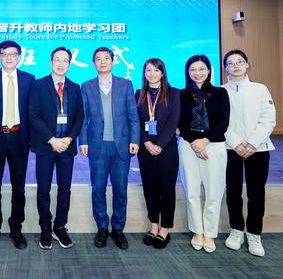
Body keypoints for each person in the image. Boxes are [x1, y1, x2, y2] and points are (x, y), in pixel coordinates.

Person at [0, 40, 35, 250]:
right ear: (0, 56)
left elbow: (33, 112)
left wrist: (32, 139)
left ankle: (16, 228)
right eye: (4, 53)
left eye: (13, 54)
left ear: (19, 56)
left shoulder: (29, 79)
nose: (9, 57)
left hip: (19, 138)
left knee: (19, 186)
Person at [80, 46, 140, 250]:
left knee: (120, 189)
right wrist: (83, 141)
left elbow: (133, 116)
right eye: (98, 59)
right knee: (98, 189)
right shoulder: (86, 86)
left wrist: (134, 139)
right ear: (93, 63)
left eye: (106, 58)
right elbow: (84, 117)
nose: (103, 61)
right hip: (97, 147)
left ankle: (118, 229)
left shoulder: (125, 84)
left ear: (113, 61)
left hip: (121, 146)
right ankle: (102, 228)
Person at [29, 47, 84, 249]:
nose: (61, 64)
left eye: (65, 60)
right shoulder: (38, 85)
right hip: (46, 146)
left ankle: (60, 226)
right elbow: (33, 115)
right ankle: (45, 227)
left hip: (66, 147)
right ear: (51, 62)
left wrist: (69, 138)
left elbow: (80, 117)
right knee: (43, 189)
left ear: (69, 64)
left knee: (65, 189)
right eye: (57, 60)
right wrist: (52, 139)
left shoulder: (75, 87)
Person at [222, 50, 276, 257]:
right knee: (233, 191)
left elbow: (268, 119)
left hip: (258, 149)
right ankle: (236, 230)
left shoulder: (260, 89)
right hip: (230, 148)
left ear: (247, 65)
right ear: (225, 68)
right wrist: (236, 143)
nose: (235, 66)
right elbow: (221, 122)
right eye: (231, 63)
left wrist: (253, 143)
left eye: (240, 62)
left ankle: (254, 234)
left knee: (256, 193)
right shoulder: (221, 91)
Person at [178, 54, 230, 253]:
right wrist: (194, 143)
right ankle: (197, 232)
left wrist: (205, 140)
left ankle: (209, 233)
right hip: (188, 146)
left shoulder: (220, 93)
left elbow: (223, 122)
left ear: (209, 70)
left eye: (201, 69)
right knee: (191, 191)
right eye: (193, 69)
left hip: (214, 146)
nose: (197, 73)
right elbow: (180, 122)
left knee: (214, 192)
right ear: (187, 72)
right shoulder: (182, 95)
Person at [135, 58, 180, 249]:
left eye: (156, 70)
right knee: (150, 189)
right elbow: (135, 121)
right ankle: (153, 226)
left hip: (167, 148)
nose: (152, 74)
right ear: (144, 74)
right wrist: (146, 142)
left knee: (167, 189)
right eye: (148, 70)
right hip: (145, 149)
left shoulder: (174, 93)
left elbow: (173, 122)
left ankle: (165, 229)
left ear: (162, 73)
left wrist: (159, 145)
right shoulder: (139, 94)